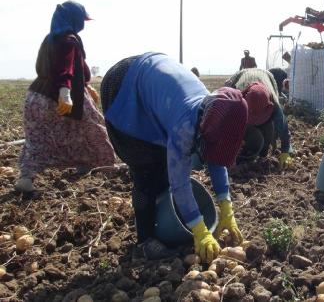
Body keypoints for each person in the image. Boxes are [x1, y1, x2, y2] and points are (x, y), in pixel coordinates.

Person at [101, 52, 253, 261]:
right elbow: (179, 182)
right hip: (124, 85)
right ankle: (145, 240)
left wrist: (227, 209)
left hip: (153, 85)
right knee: (146, 167)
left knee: (163, 165)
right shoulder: (185, 126)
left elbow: (217, 158)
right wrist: (200, 230)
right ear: (202, 126)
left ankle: (160, 217)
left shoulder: (215, 109)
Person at [14, 1, 115, 193]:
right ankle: (108, 172)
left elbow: (68, 69)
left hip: (36, 96)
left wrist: (86, 85)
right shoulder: (69, 41)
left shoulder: (49, 39)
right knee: (95, 130)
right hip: (61, 96)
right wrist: (65, 94)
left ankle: (26, 177)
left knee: (38, 140)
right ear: (74, 19)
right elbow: (65, 70)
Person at [225, 68, 293, 168]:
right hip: (242, 74)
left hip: (267, 77)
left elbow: (284, 134)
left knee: (269, 130)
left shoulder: (274, 105)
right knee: (249, 135)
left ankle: (263, 155)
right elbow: (225, 128)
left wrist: (286, 157)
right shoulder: (236, 100)